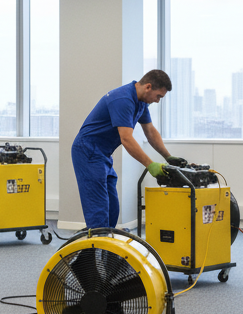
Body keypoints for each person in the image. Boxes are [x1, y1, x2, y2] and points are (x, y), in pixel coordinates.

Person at [71, 69, 186, 231]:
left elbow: (150, 131)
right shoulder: (123, 99)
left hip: (102, 154)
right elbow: (126, 138)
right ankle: (96, 248)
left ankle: (107, 244)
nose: (158, 101)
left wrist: (168, 157)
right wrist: (150, 165)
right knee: (98, 206)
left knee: (112, 206)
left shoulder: (141, 102)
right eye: (158, 96)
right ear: (148, 87)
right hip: (87, 151)